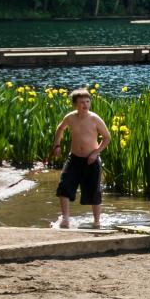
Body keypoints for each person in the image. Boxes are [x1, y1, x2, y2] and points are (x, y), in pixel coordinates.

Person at [50, 88, 111, 229]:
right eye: (82, 102)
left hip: (92, 160)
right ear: (75, 104)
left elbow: (107, 138)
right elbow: (60, 129)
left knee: (94, 192)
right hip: (74, 158)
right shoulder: (70, 117)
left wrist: (95, 153)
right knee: (64, 186)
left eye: (87, 101)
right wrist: (57, 145)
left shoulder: (95, 119)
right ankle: (65, 219)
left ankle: (97, 222)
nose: (85, 105)